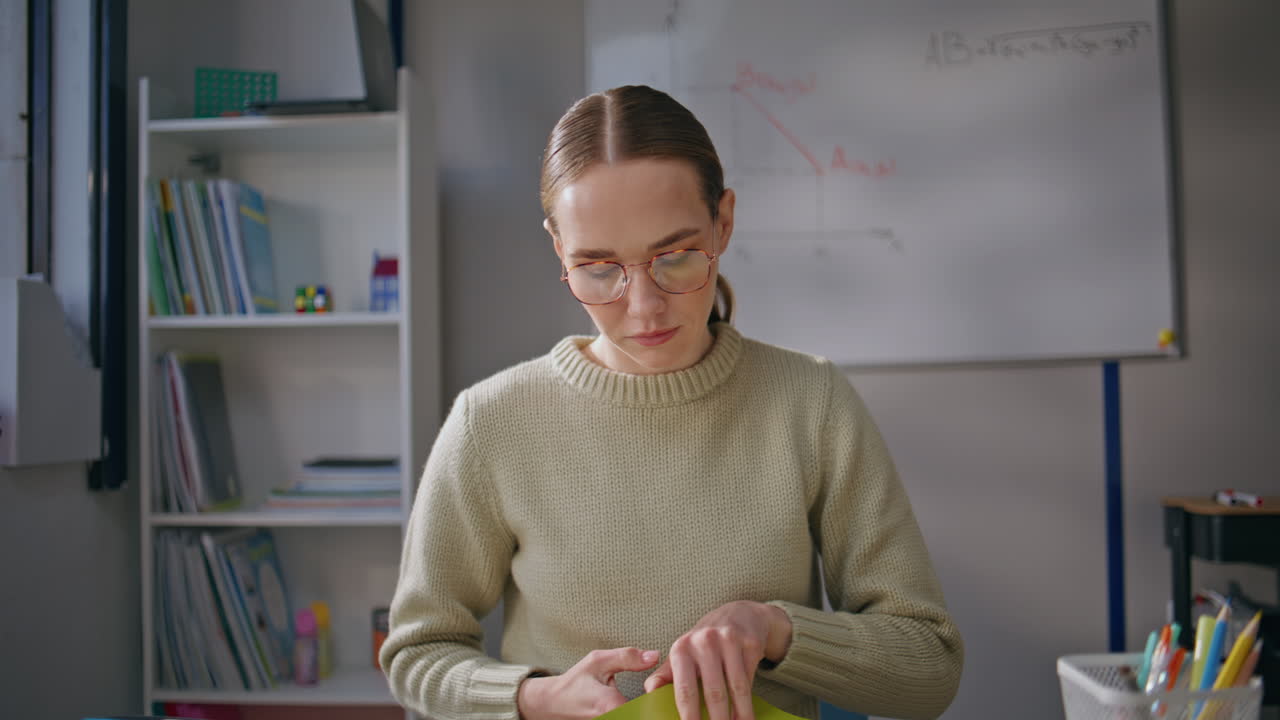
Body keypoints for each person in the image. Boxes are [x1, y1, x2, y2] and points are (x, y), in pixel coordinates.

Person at [380, 85, 963, 720]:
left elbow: (928, 667)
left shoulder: (810, 402)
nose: (643, 307)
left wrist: (774, 630)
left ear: (725, 221)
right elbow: (418, 655)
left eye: (677, 256)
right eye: (599, 269)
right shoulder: (490, 422)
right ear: (559, 249)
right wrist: (532, 696)